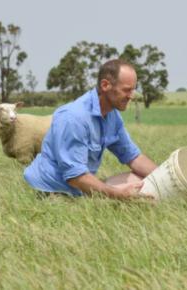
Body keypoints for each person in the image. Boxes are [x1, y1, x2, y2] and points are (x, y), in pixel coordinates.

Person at [24, 59, 157, 199]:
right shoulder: (74, 117)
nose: (131, 96)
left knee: (141, 181)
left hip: (80, 187)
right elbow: (75, 177)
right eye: (126, 90)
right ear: (105, 85)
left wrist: (167, 177)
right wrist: (119, 195)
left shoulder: (113, 116)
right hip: (51, 189)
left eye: (133, 89)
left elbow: (133, 157)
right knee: (128, 198)